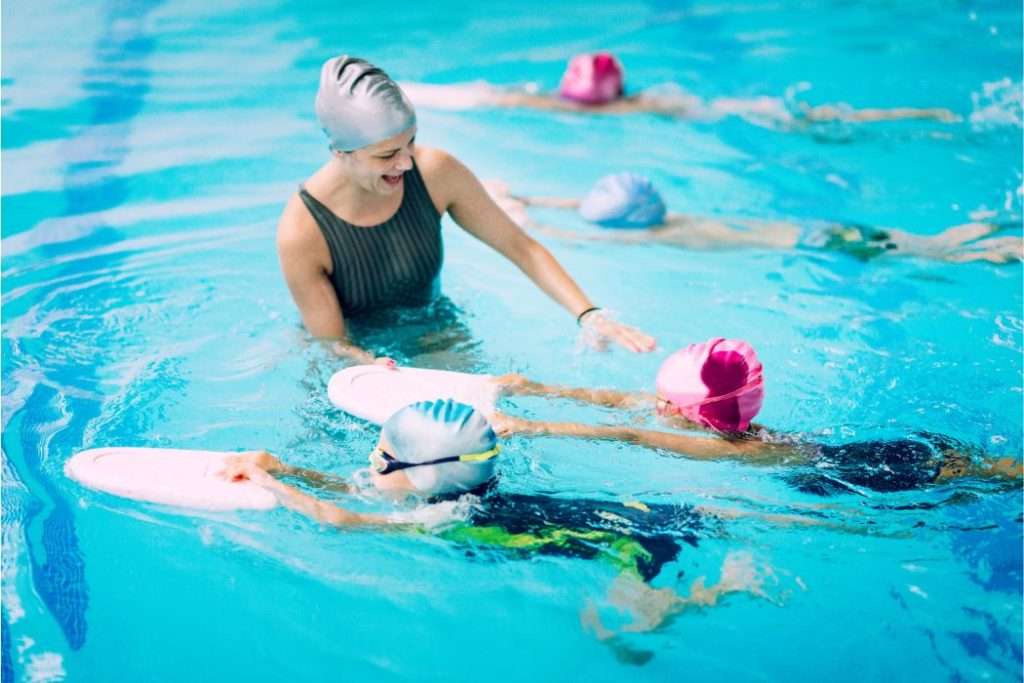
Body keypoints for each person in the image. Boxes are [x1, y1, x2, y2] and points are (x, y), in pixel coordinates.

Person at [221, 399, 773, 660]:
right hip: (640, 512)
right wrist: (287, 468)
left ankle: (724, 588)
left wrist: (269, 486)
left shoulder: (442, 516)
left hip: (634, 545)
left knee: (624, 632)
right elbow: (356, 491)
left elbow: (341, 521)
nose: (371, 461)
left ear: (427, 475)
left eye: (384, 457)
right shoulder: (458, 492)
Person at [277, 55, 655, 366]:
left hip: (434, 328)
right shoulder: (302, 231)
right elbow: (333, 344)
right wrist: (370, 366)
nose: (407, 163)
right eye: (387, 155)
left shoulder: (436, 172)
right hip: (356, 359)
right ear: (341, 152)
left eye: (411, 143)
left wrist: (589, 315)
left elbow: (520, 246)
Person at [487, 338, 1023, 494]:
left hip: (861, 473)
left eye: (665, 404)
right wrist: (537, 388)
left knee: (985, 477)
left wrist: (537, 427)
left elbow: (627, 432)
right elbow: (621, 403)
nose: (654, 407)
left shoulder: (723, 447)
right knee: (980, 467)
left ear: (692, 416)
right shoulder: (718, 419)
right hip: (857, 451)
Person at [485, 173, 1023, 265]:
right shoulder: (670, 218)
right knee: (932, 244)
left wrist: (526, 219)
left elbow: (580, 232)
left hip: (824, 246)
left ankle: (998, 249)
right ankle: (985, 227)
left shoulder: (652, 238)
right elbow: (589, 211)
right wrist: (529, 197)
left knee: (936, 253)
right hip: (829, 231)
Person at [400, 52, 961, 128]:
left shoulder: (661, 105)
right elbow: (479, 96)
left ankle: (907, 115)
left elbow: (484, 96)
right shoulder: (651, 104)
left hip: (746, 114)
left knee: (810, 122)